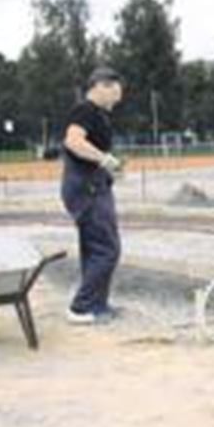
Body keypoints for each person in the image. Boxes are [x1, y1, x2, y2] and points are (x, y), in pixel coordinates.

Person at [61, 67, 125, 325]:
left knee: (94, 248)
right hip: (86, 188)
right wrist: (103, 159)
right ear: (102, 85)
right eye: (116, 93)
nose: (117, 100)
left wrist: (109, 168)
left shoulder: (98, 114)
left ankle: (96, 305)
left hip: (92, 185)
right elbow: (73, 142)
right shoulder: (85, 110)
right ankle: (81, 307)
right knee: (108, 248)